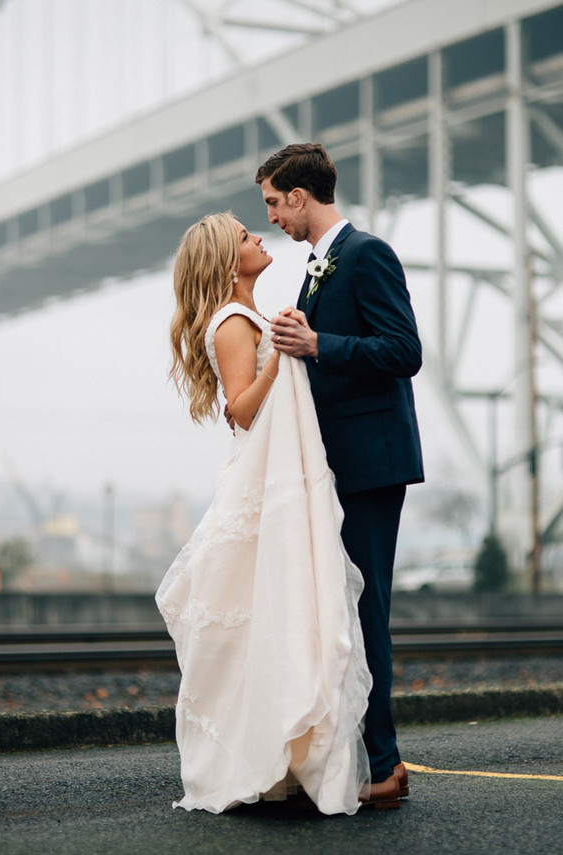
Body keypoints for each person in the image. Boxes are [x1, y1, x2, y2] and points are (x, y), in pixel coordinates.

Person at [155, 212, 374, 815]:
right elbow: (243, 410)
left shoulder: (248, 317)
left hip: (278, 477)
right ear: (229, 261)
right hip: (262, 481)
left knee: (281, 615)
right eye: (245, 234)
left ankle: (281, 751)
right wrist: (280, 354)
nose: (258, 235)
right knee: (269, 613)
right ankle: (264, 752)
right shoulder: (232, 323)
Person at [255, 142, 424, 808]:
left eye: (272, 201)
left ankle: (383, 766)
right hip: (340, 464)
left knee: (366, 611)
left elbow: (403, 349)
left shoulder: (367, 253)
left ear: (300, 196)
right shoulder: (318, 266)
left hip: (372, 463)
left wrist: (319, 342)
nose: (269, 215)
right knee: (348, 611)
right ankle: (371, 756)